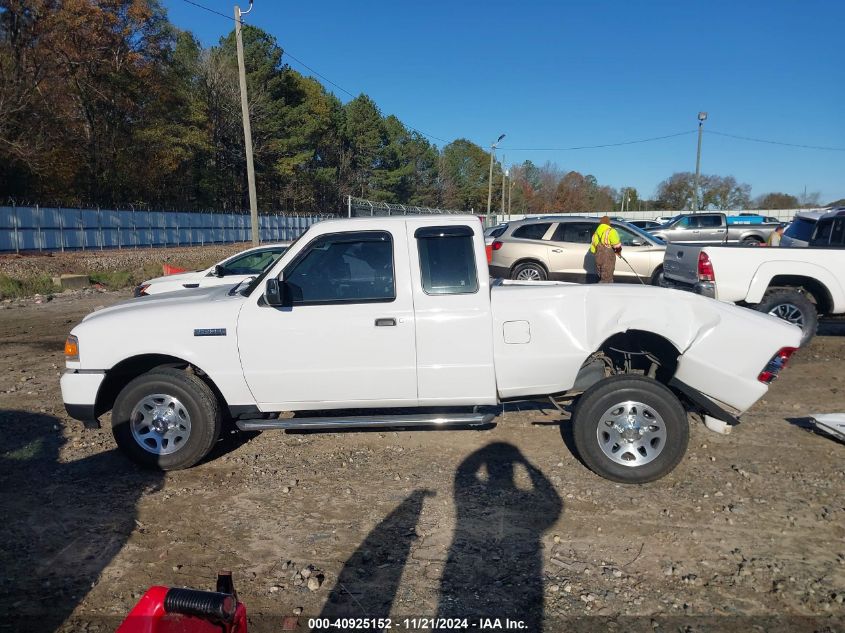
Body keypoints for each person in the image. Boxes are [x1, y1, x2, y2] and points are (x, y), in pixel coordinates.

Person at [590, 216, 622, 283]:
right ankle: (605, 291)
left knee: (601, 275)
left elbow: (592, 250)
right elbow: (617, 245)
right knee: (607, 278)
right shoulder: (611, 231)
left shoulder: (595, 234)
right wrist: (618, 253)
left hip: (598, 258)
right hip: (607, 259)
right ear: (608, 223)